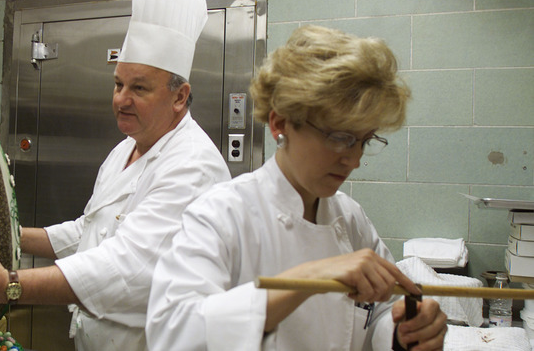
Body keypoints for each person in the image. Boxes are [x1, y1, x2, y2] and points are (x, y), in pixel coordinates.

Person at [0, 0, 232, 351]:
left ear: (180, 97)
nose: (121, 99)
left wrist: (6, 284)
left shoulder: (193, 166)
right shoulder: (125, 149)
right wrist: (5, 234)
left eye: (139, 88)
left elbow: (124, 267)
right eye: (118, 84)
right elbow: (89, 232)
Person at [146, 25, 448, 351]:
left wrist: (403, 329)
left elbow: (378, 312)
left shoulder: (350, 218)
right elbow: (174, 333)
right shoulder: (221, 214)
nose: (354, 160)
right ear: (280, 124)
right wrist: (310, 277)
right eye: (339, 137)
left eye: (364, 140)